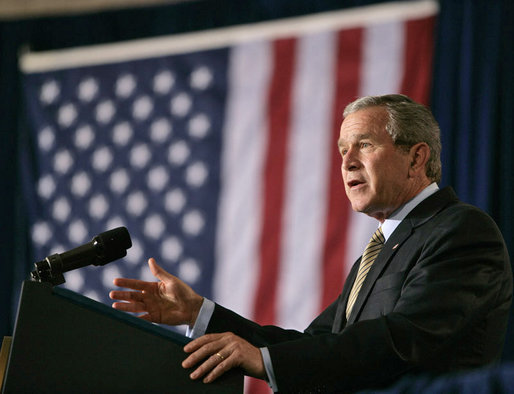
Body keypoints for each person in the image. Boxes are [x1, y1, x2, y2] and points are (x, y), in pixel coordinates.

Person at [109, 94, 513, 393]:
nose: (347, 161)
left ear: (416, 157)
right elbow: (317, 347)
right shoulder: (378, 253)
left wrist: (265, 360)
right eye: (342, 150)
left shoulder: (461, 231)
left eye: (365, 145)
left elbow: (402, 341)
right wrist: (200, 313)